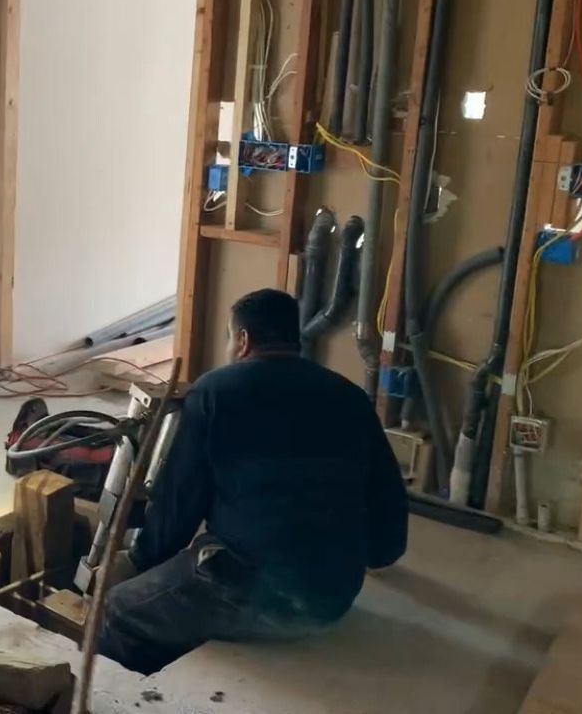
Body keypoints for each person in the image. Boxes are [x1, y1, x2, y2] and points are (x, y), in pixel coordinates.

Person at [96, 288, 408, 674]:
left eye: (230, 338)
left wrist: (142, 561)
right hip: (334, 597)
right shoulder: (351, 398)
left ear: (243, 340)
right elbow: (388, 517)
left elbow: (178, 507)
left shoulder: (214, 393)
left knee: (118, 609)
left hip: (260, 598)